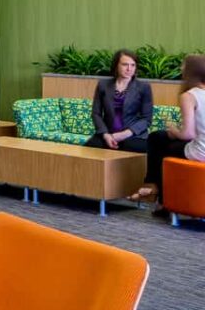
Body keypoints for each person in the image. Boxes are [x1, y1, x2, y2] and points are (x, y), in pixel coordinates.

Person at [136, 54, 205, 203]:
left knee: (161, 146)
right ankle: (155, 190)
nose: (181, 69)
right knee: (158, 137)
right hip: (199, 145)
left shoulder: (189, 95)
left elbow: (188, 134)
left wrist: (172, 129)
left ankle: (158, 195)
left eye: (183, 66)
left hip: (200, 152)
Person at [84, 49, 153, 153]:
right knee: (91, 147)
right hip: (108, 133)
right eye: (125, 64)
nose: (129, 69)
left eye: (133, 65)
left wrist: (124, 134)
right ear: (116, 65)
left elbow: (146, 119)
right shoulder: (103, 85)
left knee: (129, 147)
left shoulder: (143, 87)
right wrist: (106, 135)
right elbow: (96, 114)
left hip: (133, 135)